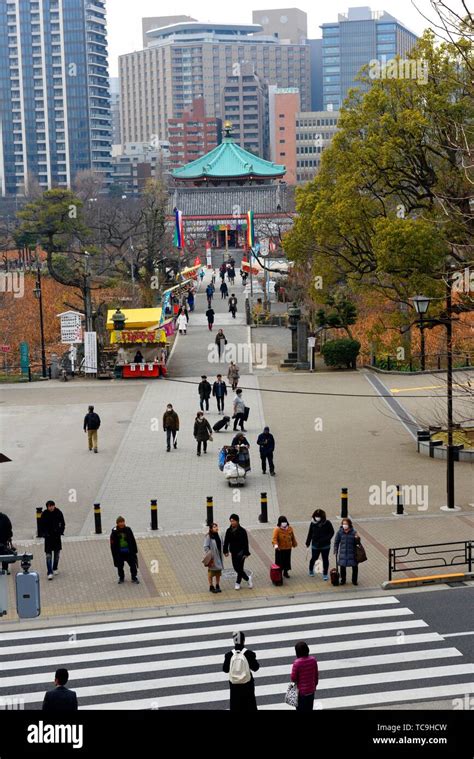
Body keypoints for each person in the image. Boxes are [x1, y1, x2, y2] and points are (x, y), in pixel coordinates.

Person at [223, 632, 259, 712]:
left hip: (234, 686)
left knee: (235, 706)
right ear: (244, 640)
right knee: (250, 705)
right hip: (247, 685)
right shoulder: (249, 654)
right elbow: (256, 668)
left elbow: (225, 669)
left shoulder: (229, 655)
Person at [223, 514, 252, 590]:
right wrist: (225, 550)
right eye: (231, 521)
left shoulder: (242, 531)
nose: (232, 522)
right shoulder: (228, 531)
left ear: (237, 521)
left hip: (241, 552)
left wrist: (246, 553)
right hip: (233, 552)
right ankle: (248, 578)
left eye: (233, 521)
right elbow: (226, 541)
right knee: (236, 568)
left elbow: (246, 542)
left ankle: (238, 582)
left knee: (240, 567)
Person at [39, 500, 65, 580]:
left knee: (57, 555)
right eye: (49, 506)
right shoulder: (44, 514)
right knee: (48, 556)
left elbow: (63, 523)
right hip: (48, 538)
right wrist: (44, 534)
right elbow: (41, 525)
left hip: (56, 537)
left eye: (52, 506)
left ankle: (55, 568)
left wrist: (60, 531)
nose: (50, 508)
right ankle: (49, 572)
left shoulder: (58, 512)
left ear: (54, 506)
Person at [306, 509, 335, 580]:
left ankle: (325, 574)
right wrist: (308, 542)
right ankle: (310, 569)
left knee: (325, 559)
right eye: (316, 516)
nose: (317, 517)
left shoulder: (327, 523)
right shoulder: (313, 523)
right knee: (314, 558)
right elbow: (310, 533)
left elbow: (332, 532)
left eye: (318, 516)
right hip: (315, 545)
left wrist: (327, 539)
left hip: (325, 545)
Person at [110, 516, 140, 584]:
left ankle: (134, 577)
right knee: (120, 567)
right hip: (119, 553)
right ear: (117, 523)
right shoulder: (114, 532)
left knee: (133, 565)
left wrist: (135, 550)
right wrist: (114, 554)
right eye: (120, 522)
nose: (121, 523)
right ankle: (121, 578)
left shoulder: (128, 530)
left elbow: (132, 540)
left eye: (122, 522)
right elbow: (112, 545)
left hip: (129, 552)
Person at [290, 641, 318, 712]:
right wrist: (314, 685)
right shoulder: (313, 660)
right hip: (311, 690)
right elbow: (316, 675)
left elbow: (293, 678)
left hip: (301, 692)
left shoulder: (297, 663)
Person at [334, 517, 360, 586]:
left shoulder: (354, 532)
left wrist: (357, 538)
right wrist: (335, 549)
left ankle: (354, 580)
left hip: (352, 552)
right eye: (343, 524)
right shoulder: (340, 532)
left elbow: (358, 543)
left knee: (354, 566)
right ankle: (343, 580)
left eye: (346, 524)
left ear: (349, 524)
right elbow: (336, 542)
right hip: (343, 552)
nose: (344, 525)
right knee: (342, 566)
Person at [203, 522, 224, 593]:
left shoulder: (219, 534)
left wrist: (225, 551)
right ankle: (211, 586)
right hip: (212, 557)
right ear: (211, 529)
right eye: (214, 527)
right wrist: (210, 555)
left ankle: (217, 585)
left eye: (216, 526)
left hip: (219, 556)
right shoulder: (208, 536)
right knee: (211, 573)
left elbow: (222, 544)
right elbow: (205, 547)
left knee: (218, 572)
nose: (216, 528)